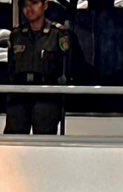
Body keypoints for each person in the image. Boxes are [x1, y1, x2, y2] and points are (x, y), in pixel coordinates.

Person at [5, 0, 76, 136]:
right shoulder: (16, 35)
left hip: (46, 96)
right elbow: (11, 69)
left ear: (45, 5)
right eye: (25, 5)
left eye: (34, 3)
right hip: (20, 94)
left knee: (44, 142)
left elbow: (66, 68)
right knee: (13, 143)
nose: (29, 9)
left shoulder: (58, 35)